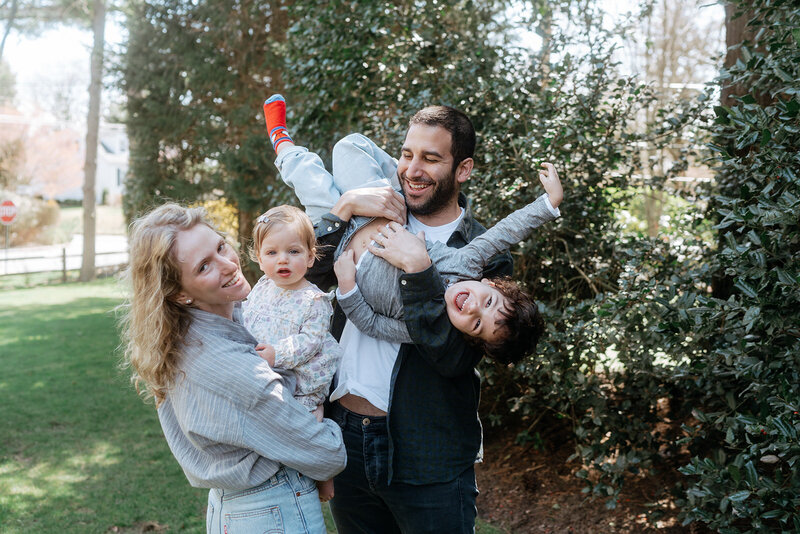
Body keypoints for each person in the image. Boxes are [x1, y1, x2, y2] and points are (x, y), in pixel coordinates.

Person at [265, 96, 556, 532]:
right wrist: (345, 209)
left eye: (431, 158)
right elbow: (315, 272)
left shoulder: (482, 263)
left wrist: (419, 269)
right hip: (346, 441)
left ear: (463, 170)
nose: (413, 170)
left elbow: (451, 357)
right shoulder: (369, 206)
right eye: (406, 155)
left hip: (426, 455)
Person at [262, 97, 560, 361]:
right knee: (349, 145)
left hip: (343, 246)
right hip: (377, 212)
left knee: (307, 179)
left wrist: (347, 285)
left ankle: (281, 142)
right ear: (490, 284)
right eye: (488, 302)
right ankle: (396, 175)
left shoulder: (424, 325)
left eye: (478, 324)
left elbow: (372, 322)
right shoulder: (468, 262)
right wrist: (548, 204)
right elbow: (507, 230)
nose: (473, 307)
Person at [119, 203, 346, 534]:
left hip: (236, 507)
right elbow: (328, 455)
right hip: (272, 508)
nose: (228, 265)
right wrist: (322, 421)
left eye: (220, 247)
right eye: (204, 266)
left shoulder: (189, 332)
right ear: (180, 294)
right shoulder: (233, 366)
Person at [242, 204, 343, 502]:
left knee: (309, 425)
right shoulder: (261, 287)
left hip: (301, 377)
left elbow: (310, 342)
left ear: (311, 257)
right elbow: (248, 317)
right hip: (266, 369)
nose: (282, 259)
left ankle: (324, 474)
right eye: (272, 253)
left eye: (293, 252)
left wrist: (277, 354)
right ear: (259, 259)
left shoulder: (314, 299)